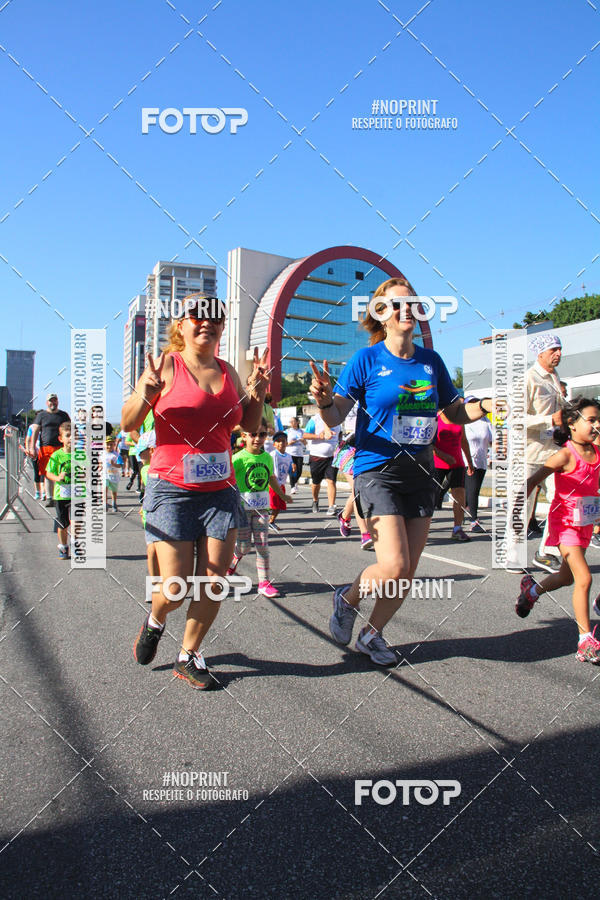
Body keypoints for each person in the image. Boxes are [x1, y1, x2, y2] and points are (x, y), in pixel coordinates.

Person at [310, 277, 495, 666]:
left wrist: (487, 405)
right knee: (392, 565)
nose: (405, 310)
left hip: (421, 474)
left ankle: (371, 634)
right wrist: (325, 399)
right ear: (380, 314)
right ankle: (346, 599)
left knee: (406, 573)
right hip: (377, 470)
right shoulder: (366, 360)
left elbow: (455, 411)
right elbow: (335, 414)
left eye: (411, 303)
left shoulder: (432, 361)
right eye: (396, 305)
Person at [122, 292, 269, 691]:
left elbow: (247, 424)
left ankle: (188, 655)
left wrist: (257, 392)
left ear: (222, 326)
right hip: (172, 489)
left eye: (215, 316)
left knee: (214, 580)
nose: (207, 321)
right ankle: (156, 620)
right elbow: (128, 423)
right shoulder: (165, 366)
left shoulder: (228, 372)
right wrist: (147, 393)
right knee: (174, 587)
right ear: (182, 325)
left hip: (220, 492)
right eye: (197, 316)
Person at [515, 397, 600, 663]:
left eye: (599, 420)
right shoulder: (564, 454)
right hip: (564, 524)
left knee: (567, 578)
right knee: (584, 579)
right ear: (572, 424)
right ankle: (585, 640)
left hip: (586, 521)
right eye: (592, 420)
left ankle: (531, 591)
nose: (597, 425)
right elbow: (533, 480)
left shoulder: (597, 451)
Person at [513, 333, 565, 574]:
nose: (559, 353)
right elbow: (513, 418)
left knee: (562, 499)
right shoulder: (527, 379)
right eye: (554, 349)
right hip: (528, 454)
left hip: (553, 452)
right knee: (522, 506)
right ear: (540, 353)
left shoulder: (555, 380)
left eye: (560, 349)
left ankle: (547, 551)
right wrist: (548, 419)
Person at [229, 424, 293, 596]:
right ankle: (232, 563)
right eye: (253, 434)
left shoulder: (267, 458)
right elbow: (227, 480)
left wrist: (282, 495)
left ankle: (264, 583)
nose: (258, 438)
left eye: (262, 434)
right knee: (243, 547)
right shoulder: (237, 459)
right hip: (242, 510)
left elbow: (271, 478)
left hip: (261, 510)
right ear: (244, 436)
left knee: (262, 545)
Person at [433, 410, 474, 541]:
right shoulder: (435, 418)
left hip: (457, 463)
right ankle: (420, 526)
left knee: (459, 495)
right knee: (429, 496)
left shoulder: (459, 420)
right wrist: (443, 456)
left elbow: (464, 441)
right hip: (437, 464)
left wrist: (470, 463)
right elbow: (428, 443)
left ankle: (457, 529)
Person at [28, 394, 70, 507]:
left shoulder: (63, 415)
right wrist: (32, 447)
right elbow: (35, 430)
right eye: (51, 401)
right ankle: (50, 498)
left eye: (55, 400)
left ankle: (61, 497)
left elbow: (70, 429)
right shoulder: (41, 415)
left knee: (62, 473)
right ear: (47, 403)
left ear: (58, 402)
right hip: (45, 448)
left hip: (61, 448)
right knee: (47, 473)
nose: (53, 403)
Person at [333, 435, 374, 550]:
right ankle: (365, 534)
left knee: (363, 489)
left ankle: (344, 516)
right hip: (350, 448)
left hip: (372, 448)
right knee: (358, 491)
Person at [463, 397, 493, 533]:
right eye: (472, 403)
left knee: (472, 491)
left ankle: (465, 509)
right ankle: (473, 520)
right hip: (466, 461)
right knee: (472, 491)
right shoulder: (464, 421)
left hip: (482, 461)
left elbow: (493, 440)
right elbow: (461, 440)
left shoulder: (486, 421)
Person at [303, 411, 341, 515]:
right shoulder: (315, 419)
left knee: (331, 481)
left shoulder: (337, 420)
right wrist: (319, 436)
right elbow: (305, 435)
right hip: (317, 457)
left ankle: (331, 506)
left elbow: (339, 436)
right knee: (316, 483)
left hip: (332, 457)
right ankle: (315, 500)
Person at [45, 422, 73, 559]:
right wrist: (57, 477)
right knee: (63, 523)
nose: (71, 438)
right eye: (68, 435)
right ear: (61, 438)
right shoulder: (57, 456)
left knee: (78, 520)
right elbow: (48, 473)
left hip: (78, 492)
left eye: (74, 435)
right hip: (61, 494)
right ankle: (63, 547)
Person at [269, 431, 293, 528]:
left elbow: (291, 471)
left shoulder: (289, 456)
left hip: (282, 484)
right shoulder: (273, 454)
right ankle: (263, 520)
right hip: (273, 485)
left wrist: (293, 469)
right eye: (278, 441)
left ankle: (271, 521)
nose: (281, 443)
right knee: (272, 505)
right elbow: (271, 469)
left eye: (283, 441)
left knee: (279, 506)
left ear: (287, 443)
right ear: (274, 444)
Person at [286, 417, 305, 494]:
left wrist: (303, 441)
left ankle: (295, 482)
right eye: (290, 422)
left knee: (299, 471)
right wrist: (289, 443)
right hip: (290, 453)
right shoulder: (288, 431)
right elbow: (284, 443)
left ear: (297, 422)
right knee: (292, 470)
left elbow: (306, 443)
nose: (291, 423)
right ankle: (292, 486)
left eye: (293, 421)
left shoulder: (301, 431)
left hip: (299, 453)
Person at [25, 420, 43, 499]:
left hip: (45, 452)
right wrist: (28, 449)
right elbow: (28, 438)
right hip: (35, 452)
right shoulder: (32, 427)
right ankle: (37, 492)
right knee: (37, 472)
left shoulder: (46, 425)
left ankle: (44, 492)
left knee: (45, 473)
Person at [104, 437, 122, 512]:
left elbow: (120, 465)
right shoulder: (102, 454)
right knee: (104, 490)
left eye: (111, 444)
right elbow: (100, 463)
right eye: (107, 444)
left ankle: (114, 503)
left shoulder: (117, 455)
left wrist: (113, 464)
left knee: (113, 492)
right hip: (104, 475)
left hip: (114, 476)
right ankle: (105, 504)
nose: (109, 446)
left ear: (114, 445)